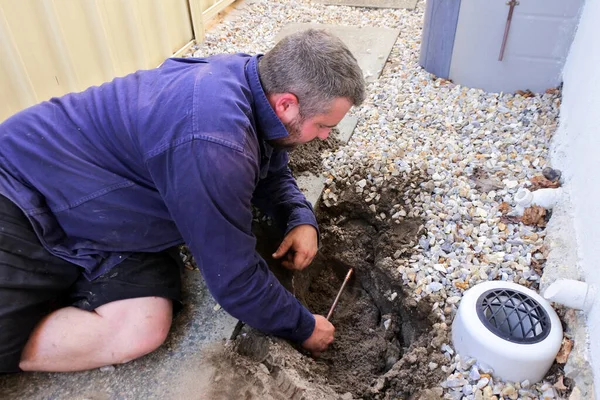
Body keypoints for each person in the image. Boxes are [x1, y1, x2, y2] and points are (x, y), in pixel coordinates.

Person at [0, 29, 365, 372]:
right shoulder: (215, 142)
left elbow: (271, 169)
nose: (324, 137)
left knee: (141, 329)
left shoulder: (255, 84)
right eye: (323, 126)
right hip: (23, 192)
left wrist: (298, 217)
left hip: (119, 211)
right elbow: (234, 279)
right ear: (286, 103)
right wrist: (302, 326)